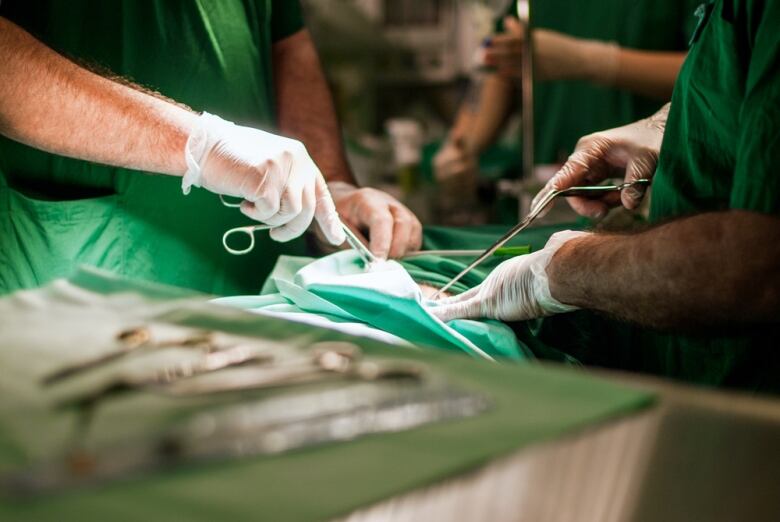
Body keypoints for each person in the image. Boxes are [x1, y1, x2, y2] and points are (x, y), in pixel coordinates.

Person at [432, 0, 780, 394]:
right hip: (683, 348)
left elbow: (755, 262)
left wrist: (562, 272)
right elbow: (731, 74)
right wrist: (665, 124)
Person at [0, 1, 422, 296]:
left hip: (259, 285)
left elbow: (287, 42)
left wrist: (332, 188)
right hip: (90, 266)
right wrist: (202, 146)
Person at [434, 0, 698, 193]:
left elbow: (716, 74)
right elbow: (502, 62)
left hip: (641, 190)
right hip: (547, 191)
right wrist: (462, 147)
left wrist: (594, 61)